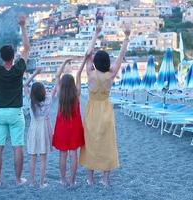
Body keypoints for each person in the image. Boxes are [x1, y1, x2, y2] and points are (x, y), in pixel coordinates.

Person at [79, 24, 131, 186]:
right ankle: (105, 179)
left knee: (90, 143)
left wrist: (95, 33)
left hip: (92, 110)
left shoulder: (90, 73)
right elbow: (121, 56)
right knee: (107, 143)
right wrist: (126, 38)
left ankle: (89, 178)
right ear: (107, 62)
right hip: (106, 110)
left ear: (95, 61)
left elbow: (88, 53)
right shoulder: (110, 75)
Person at [0, 14, 30, 187]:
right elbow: (26, 47)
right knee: (17, 146)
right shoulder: (18, 69)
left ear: (1, 57)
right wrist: (23, 26)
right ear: (13, 57)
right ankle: (18, 179)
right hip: (16, 112)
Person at [51, 56, 88, 187]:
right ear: (72, 84)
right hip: (75, 128)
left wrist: (64, 62)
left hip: (62, 127)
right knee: (73, 154)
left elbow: (56, 76)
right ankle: (72, 180)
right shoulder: (77, 93)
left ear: (62, 84)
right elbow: (78, 74)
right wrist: (84, 60)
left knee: (62, 154)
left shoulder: (60, 93)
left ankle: (62, 180)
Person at [23, 68, 53, 188]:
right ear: (43, 91)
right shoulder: (49, 99)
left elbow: (25, 85)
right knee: (43, 159)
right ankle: (42, 183)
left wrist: (35, 73)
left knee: (33, 158)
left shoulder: (31, 100)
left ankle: (31, 182)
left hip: (34, 129)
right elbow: (54, 89)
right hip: (44, 129)